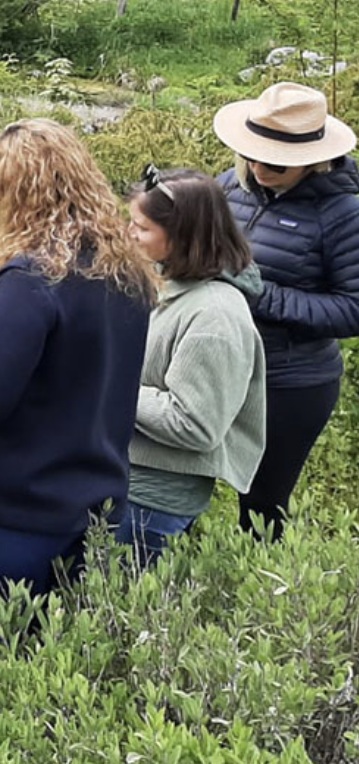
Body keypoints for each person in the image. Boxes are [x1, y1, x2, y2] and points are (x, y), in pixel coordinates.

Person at [0, 119, 156, 633]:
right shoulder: (124, 270)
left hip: (13, 515)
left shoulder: (30, 279)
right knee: (64, 663)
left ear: (13, 194)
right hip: (95, 505)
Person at [212, 81, 359, 540]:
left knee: (260, 510)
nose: (258, 166)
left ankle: (262, 601)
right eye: (252, 152)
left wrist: (263, 296)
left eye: (275, 161)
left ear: (312, 158)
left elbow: (353, 309)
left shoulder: (344, 213)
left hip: (289, 382)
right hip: (219, 365)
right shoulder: (228, 186)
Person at [117, 166, 267, 566]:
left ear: (182, 237)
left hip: (150, 503)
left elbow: (196, 424)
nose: (130, 234)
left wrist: (110, 386)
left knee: (113, 613)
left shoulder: (214, 317)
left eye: (142, 228)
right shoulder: (173, 282)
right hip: (128, 483)